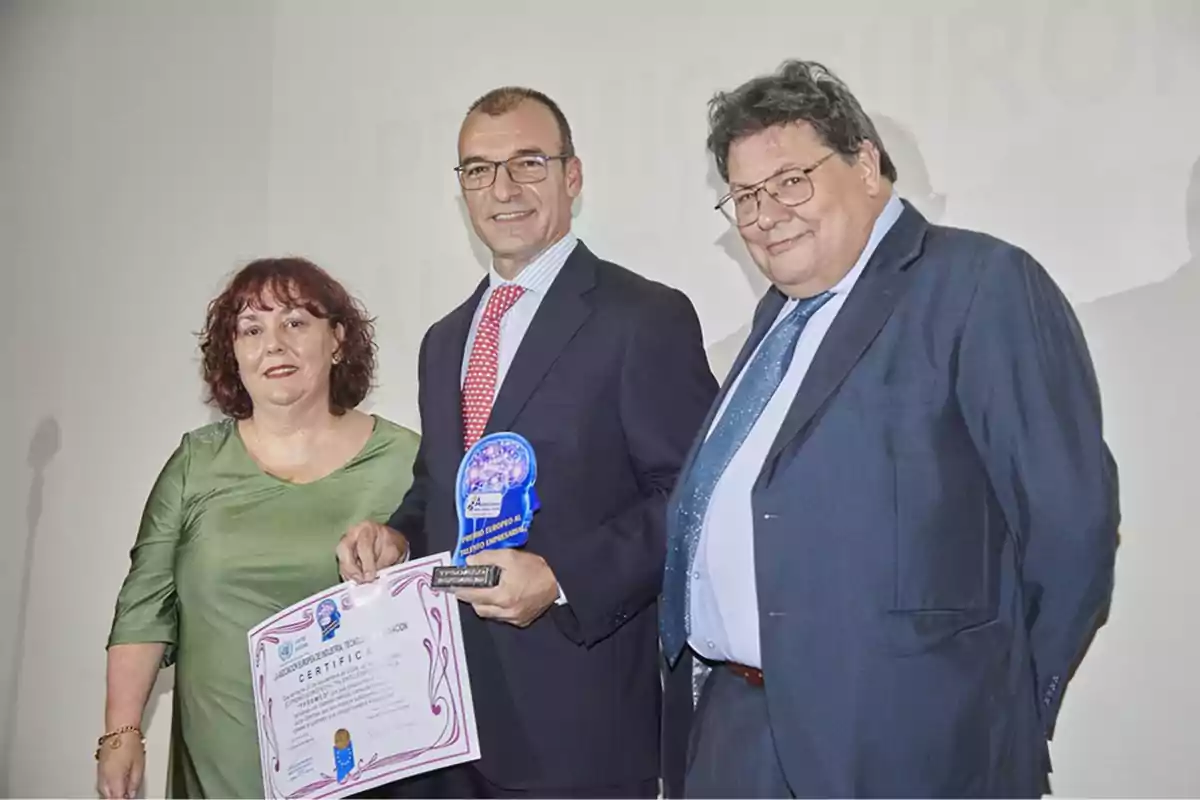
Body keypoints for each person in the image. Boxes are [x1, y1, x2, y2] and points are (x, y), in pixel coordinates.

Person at [659, 60, 1120, 798]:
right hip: (739, 736)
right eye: (744, 196)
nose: (764, 214)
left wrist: (994, 711)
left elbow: (1072, 526)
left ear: (866, 164)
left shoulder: (979, 284)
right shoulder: (778, 320)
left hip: (913, 751)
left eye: (789, 181)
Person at [337, 86, 717, 798]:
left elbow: (692, 497)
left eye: (527, 164)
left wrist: (564, 577)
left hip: (579, 725)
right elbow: (437, 489)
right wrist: (395, 536)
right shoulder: (444, 339)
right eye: (478, 170)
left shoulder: (643, 318)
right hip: (445, 724)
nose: (502, 189)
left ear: (572, 177)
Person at [98, 257, 421, 799]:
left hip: (366, 773)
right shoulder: (195, 463)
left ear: (337, 339)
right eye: (252, 329)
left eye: (295, 322)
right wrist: (121, 732)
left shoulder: (407, 461)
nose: (274, 344)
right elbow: (142, 608)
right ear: (235, 354)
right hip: (223, 769)